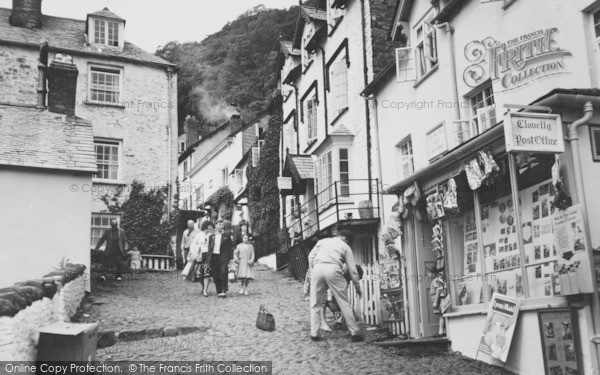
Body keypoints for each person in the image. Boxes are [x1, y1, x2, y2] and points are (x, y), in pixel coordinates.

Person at [309, 227, 363, 342]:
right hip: (333, 269)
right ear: (345, 238)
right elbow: (353, 271)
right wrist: (358, 288)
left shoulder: (322, 241)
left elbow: (310, 257)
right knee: (343, 302)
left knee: (315, 303)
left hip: (318, 268)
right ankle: (355, 332)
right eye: (348, 240)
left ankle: (314, 333)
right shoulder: (346, 247)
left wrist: (313, 270)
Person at [208, 219, 234, 298]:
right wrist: (208, 259)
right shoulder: (211, 236)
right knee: (216, 274)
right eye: (219, 225)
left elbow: (230, 248)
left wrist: (231, 259)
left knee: (223, 272)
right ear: (215, 226)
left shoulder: (227, 236)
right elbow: (209, 248)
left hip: (223, 257)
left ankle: (223, 290)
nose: (221, 226)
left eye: (222, 225)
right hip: (214, 257)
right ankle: (219, 290)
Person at [188, 221, 215, 296]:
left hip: (208, 256)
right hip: (200, 255)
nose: (211, 228)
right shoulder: (199, 235)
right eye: (209, 226)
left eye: (211, 227)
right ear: (206, 226)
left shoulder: (211, 235)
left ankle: (205, 291)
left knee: (207, 273)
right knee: (199, 274)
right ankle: (203, 286)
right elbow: (193, 245)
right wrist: (195, 256)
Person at [430, 270, 447, 337]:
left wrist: (435, 302)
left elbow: (438, 290)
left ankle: (441, 331)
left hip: (438, 299)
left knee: (441, 315)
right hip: (439, 298)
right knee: (442, 315)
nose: (429, 275)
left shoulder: (436, 281)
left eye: (430, 273)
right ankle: (443, 330)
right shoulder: (439, 280)